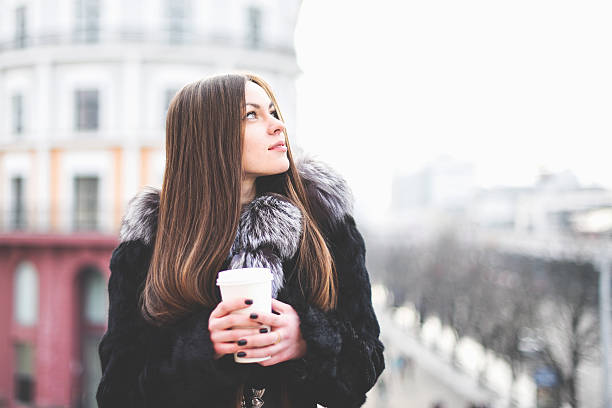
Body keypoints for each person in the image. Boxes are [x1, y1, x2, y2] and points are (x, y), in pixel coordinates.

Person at [95, 73, 385, 408]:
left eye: (274, 112)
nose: (277, 126)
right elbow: (117, 393)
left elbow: (365, 369)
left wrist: (307, 338)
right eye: (252, 115)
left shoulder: (325, 222)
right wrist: (205, 345)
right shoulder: (151, 238)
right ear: (208, 135)